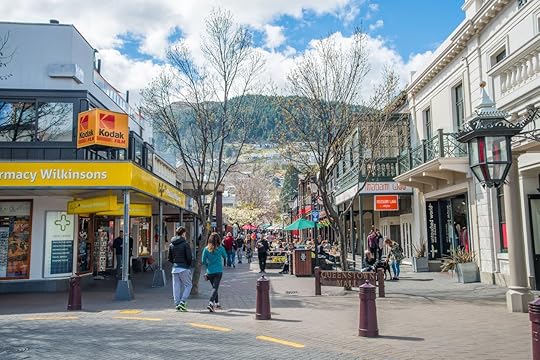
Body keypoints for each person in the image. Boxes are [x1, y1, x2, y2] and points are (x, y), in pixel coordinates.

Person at [168, 226, 193, 312]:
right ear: (183, 233)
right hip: (184, 267)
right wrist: (188, 265)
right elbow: (189, 257)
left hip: (175, 268)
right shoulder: (185, 244)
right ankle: (182, 302)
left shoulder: (171, 244)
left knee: (176, 286)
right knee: (188, 285)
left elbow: (169, 258)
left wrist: (175, 263)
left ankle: (177, 304)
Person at [202, 232, 227, 312]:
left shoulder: (206, 249)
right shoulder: (220, 248)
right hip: (218, 271)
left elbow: (203, 261)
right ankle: (210, 303)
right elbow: (225, 256)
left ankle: (217, 303)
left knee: (214, 287)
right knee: (215, 288)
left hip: (210, 271)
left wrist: (207, 265)